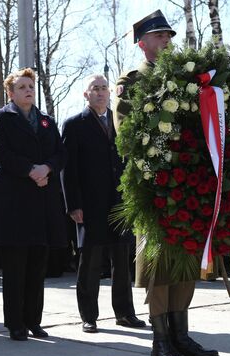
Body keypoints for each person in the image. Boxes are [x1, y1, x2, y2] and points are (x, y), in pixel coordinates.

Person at [113, 10, 219, 356]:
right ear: (142, 44)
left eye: (169, 35)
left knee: (186, 257)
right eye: (159, 36)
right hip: (156, 185)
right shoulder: (132, 82)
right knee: (159, 264)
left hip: (189, 181)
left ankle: (181, 334)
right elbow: (127, 131)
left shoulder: (189, 78)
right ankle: (161, 341)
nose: (167, 41)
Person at [0, 68, 67, 341]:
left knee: (37, 265)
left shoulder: (46, 120)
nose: (28, 90)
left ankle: (34, 320)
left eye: (30, 85)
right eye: (21, 87)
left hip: (42, 201)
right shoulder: (0, 117)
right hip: (15, 204)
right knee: (15, 267)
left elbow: (60, 153)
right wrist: (30, 170)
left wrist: (47, 168)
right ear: (10, 93)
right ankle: (15, 323)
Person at [61, 74, 144, 333]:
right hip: (90, 204)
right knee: (91, 263)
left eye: (104, 88)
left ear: (110, 93)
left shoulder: (120, 122)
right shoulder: (74, 124)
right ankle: (89, 315)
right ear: (86, 94)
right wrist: (73, 204)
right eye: (94, 88)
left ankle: (125, 313)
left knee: (122, 260)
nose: (100, 92)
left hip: (119, 203)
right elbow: (68, 169)